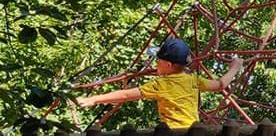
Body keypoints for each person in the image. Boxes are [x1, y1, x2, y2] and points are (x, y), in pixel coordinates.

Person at [75, 37, 244, 129]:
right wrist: (235, 67)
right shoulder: (194, 80)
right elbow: (221, 84)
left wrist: (94, 99)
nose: (156, 64)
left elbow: (126, 94)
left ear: (168, 65)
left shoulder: (161, 84)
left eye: (158, 61)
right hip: (193, 130)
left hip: (172, 132)